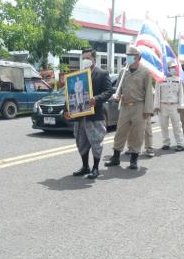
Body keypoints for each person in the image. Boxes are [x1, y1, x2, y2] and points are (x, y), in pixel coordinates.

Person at [66, 48, 113, 179]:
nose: (85, 61)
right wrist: (67, 110)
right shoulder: (77, 75)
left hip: (95, 115)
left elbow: (109, 91)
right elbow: (70, 95)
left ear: (94, 59)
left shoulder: (102, 73)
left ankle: (96, 168)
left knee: (96, 142)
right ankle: (85, 166)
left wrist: (96, 99)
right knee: (81, 141)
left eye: (88, 58)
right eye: (83, 58)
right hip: (80, 115)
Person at [105, 45, 154, 169]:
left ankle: (134, 159)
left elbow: (149, 91)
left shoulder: (145, 72)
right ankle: (116, 157)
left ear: (137, 57)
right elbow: (119, 89)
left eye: (130, 56)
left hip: (139, 106)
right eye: (127, 56)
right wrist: (117, 96)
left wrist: (148, 110)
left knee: (137, 133)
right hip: (125, 106)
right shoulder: (123, 71)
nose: (128, 58)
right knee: (120, 131)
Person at [154, 59, 184, 151]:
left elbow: (181, 94)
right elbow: (157, 93)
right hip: (163, 105)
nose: (173, 69)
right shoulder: (160, 79)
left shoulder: (178, 80)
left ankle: (180, 143)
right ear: (166, 68)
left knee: (177, 125)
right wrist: (156, 106)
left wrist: (181, 106)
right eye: (171, 68)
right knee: (163, 126)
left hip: (174, 105)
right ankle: (166, 143)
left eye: (173, 68)